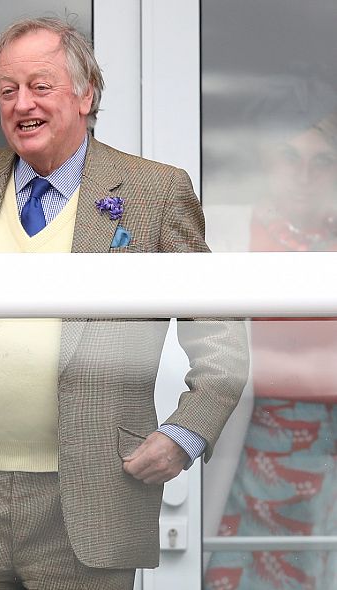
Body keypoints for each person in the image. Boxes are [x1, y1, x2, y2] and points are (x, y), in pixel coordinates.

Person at [0, 17, 248, 589]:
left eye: (41, 86)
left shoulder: (154, 192)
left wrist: (185, 434)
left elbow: (219, 335)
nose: (22, 104)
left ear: (86, 94)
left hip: (91, 491)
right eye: (8, 90)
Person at [204, 106, 337, 589]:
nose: (303, 174)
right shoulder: (222, 231)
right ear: (265, 160)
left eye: (322, 160)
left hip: (329, 458)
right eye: (288, 156)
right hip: (245, 455)